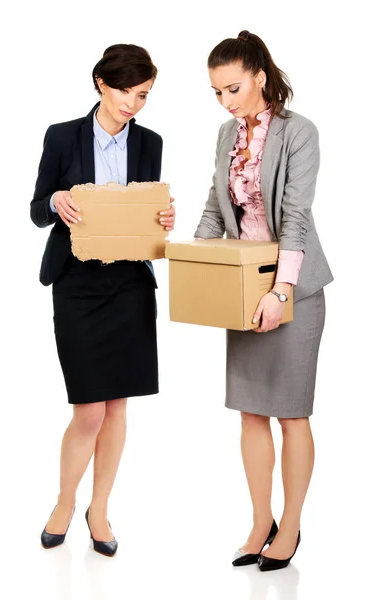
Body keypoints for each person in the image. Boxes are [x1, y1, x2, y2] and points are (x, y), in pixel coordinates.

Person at [195, 30, 333, 571]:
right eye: (216, 93)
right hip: (242, 285)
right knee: (251, 413)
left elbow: (296, 217)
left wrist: (282, 290)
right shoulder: (226, 134)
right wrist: (198, 261)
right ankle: (259, 522)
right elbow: (215, 204)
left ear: (259, 77)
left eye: (233, 88)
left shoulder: (300, 133)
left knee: (291, 414)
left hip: (293, 288)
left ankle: (291, 526)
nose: (226, 101)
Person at [31, 43, 175, 557]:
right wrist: (55, 200)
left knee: (117, 406)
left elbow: (148, 211)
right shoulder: (62, 135)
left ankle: (100, 509)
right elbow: (36, 209)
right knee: (88, 408)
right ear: (100, 83)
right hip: (77, 284)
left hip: (130, 287)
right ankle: (64, 502)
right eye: (123, 92)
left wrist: (162, 220)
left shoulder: (150, 142)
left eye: (142, 95)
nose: (132, 104)